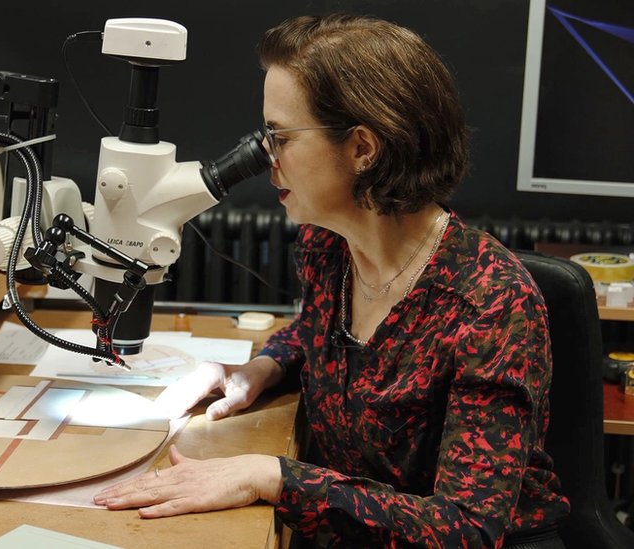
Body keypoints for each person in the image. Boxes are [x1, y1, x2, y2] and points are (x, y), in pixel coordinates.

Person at [93, 13, 570, 548]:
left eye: (279, 136)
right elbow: (321, 336)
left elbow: (466, 528)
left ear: (363, 149)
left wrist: (271, 477)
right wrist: (261, 368)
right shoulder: (330, 245)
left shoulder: (491, 302)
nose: (264, 158)